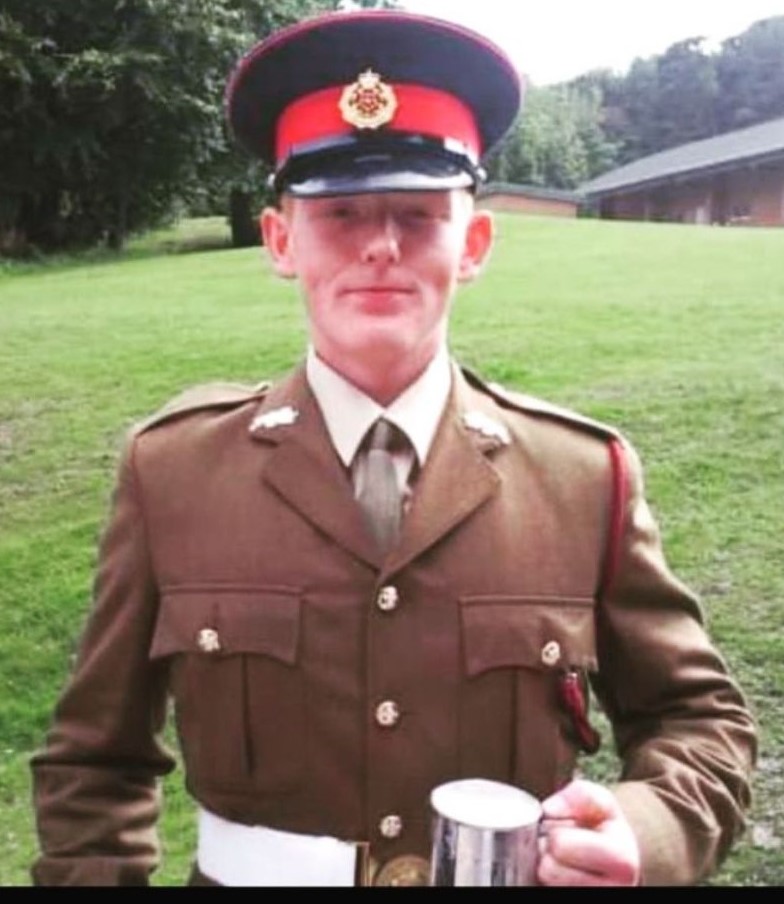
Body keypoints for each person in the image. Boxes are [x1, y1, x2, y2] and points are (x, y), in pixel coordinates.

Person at [30, 9, 757, 888]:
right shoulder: (174, 473)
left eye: (417, 214)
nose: (380, 245)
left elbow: (701, 722)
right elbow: (92, 762)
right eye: (339, 213)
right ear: (280, 240)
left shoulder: (581, 478)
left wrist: (642, 830)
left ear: (475, 243)